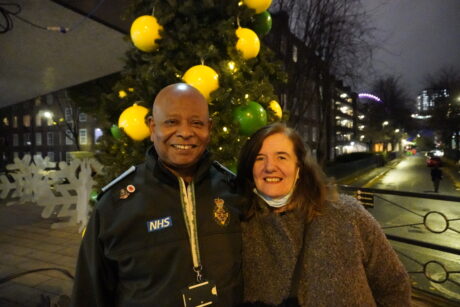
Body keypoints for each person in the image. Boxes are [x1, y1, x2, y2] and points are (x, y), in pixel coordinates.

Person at [71, 83, 243, 306]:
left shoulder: (233, 190)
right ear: (153, 128)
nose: (185, 132)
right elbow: (89, 294)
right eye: (171, 122)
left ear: (209, 128)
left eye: (197, 123)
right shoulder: (115, 205)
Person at [236, 123, 412, 306]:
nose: (270, 167)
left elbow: (394, 285)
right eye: (259, 158)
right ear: (250, 168)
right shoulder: (240, 224)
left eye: (281, 157)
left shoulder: (347, 214)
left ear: (300, 167)